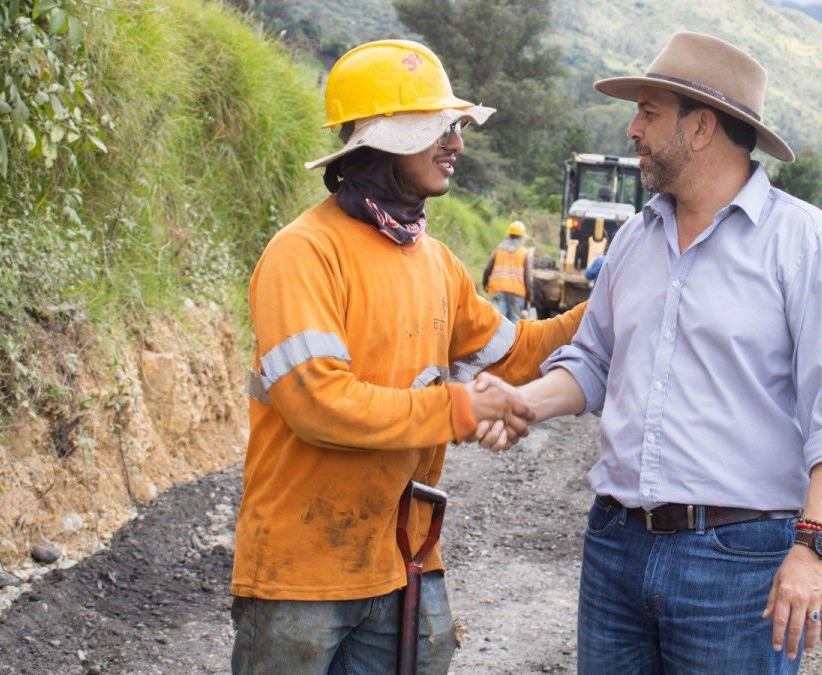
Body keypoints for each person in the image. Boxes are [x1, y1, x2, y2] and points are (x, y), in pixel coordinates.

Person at [477, 31, 822, 673]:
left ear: (699, 127)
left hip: (739, 565)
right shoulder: (634, 241)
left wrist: (816, 548)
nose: (632, 129)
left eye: (648, 112)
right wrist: (521, 401)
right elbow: (593, 363)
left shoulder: (803, 243)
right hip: (615, 548)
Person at [229, 39, 585, 675]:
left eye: (454, 129)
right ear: (380, 141)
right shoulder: (304, 254)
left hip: (403, 556)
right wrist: (456, 409)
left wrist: (613, 301)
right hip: (300, 572)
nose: (457, 145)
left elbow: (519, 356)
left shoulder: (437, 264)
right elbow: (318, 404)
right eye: (438, 130)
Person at [482, 220, 535, 322]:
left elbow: (487, 269)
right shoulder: (524, 253)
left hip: (499, 290)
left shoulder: (499, 250)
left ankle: (495, 337)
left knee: (497, 321)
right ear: (522, 238)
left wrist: (485, 283)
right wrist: (529, 295)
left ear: (509, 235)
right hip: (517, 294)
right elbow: (527, 277)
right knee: (513, 323)